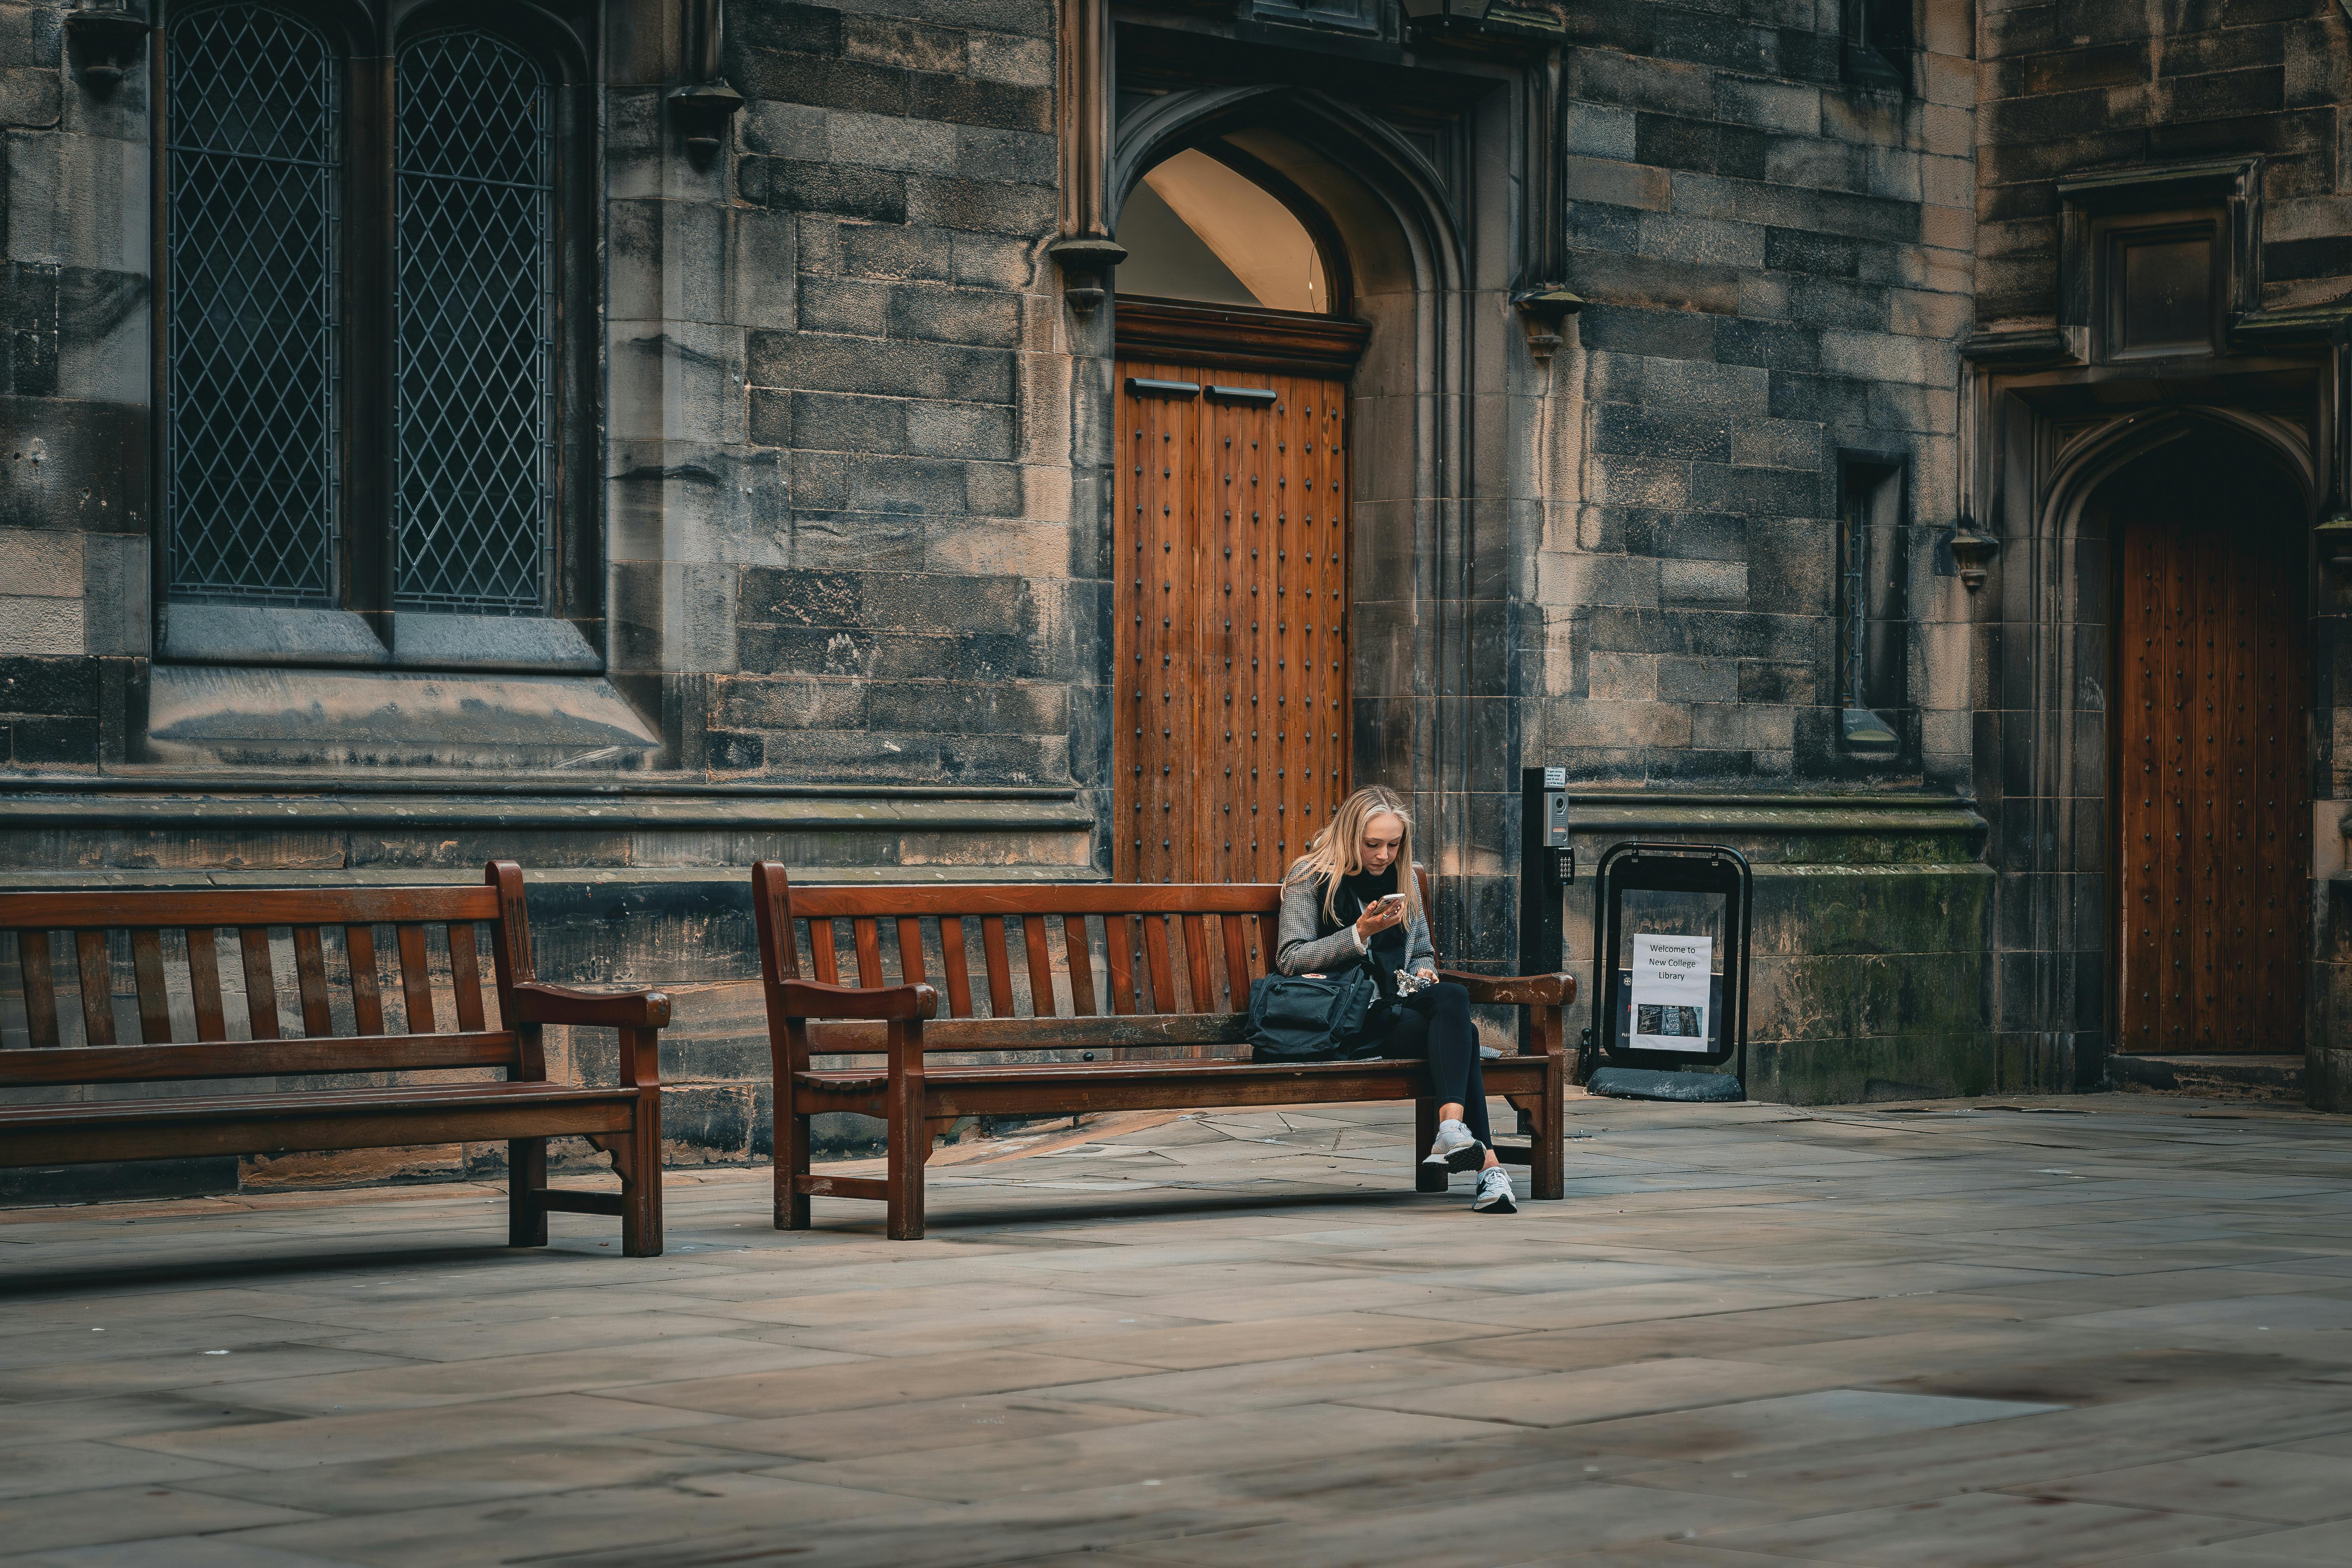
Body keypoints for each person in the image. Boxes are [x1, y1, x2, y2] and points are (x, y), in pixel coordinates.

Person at [1274, 785, 1515, 1214]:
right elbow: (1291, 959)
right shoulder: (1308, 876)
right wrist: (1359, 933)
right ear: (1350, 835)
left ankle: (1453, 1130)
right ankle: (1489, 1170)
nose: (1384, 854)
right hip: (1348, 1019)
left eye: (1393, 843)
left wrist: (1425, 970)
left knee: (1452, 996)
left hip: (1400, 1009)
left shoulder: (1405, 879)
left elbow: (1421, 949)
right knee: (1468, 1039)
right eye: (1372, 844)